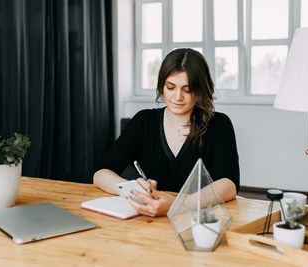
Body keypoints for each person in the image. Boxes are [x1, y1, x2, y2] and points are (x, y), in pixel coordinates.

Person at [93, 48, 239, 217]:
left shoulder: (219, 124)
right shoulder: (144, 121)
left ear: (200, 90)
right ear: (162, 85)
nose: (177, 97)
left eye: (187, 89)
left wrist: (178, 205)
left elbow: (229, 185)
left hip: (199, 219)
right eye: (170, 87)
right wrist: (131, 189)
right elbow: (100, 174)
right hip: (148, 220)